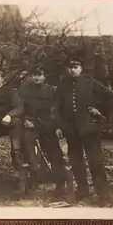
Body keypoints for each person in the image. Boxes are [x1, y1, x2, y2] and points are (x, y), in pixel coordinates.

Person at [55, 58, 113, 205]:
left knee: (96, 162)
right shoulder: (62, 85)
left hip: (89, 129)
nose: (72, 69)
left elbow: (111, 97)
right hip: (71, 130)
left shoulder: (90, 82)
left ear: (81, 68)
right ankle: (82, 191)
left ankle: (103, 195)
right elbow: (57, 107)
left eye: (75, 66)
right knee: (76, 161)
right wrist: (59, 126)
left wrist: (101, 111)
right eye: (70, 67)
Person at [18, 66, 68, 195]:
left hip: (47, 123)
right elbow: (19, 107)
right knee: (27, 147)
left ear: (44, 76)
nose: (36, 77)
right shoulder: (24, 90)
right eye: (34, 75)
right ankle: (33, 179)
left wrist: (57, 126)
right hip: (30, 122)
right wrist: (24, 119)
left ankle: (60, 184)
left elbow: (57, 109)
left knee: (54, 152)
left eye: (39, 75)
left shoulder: (51, 90)